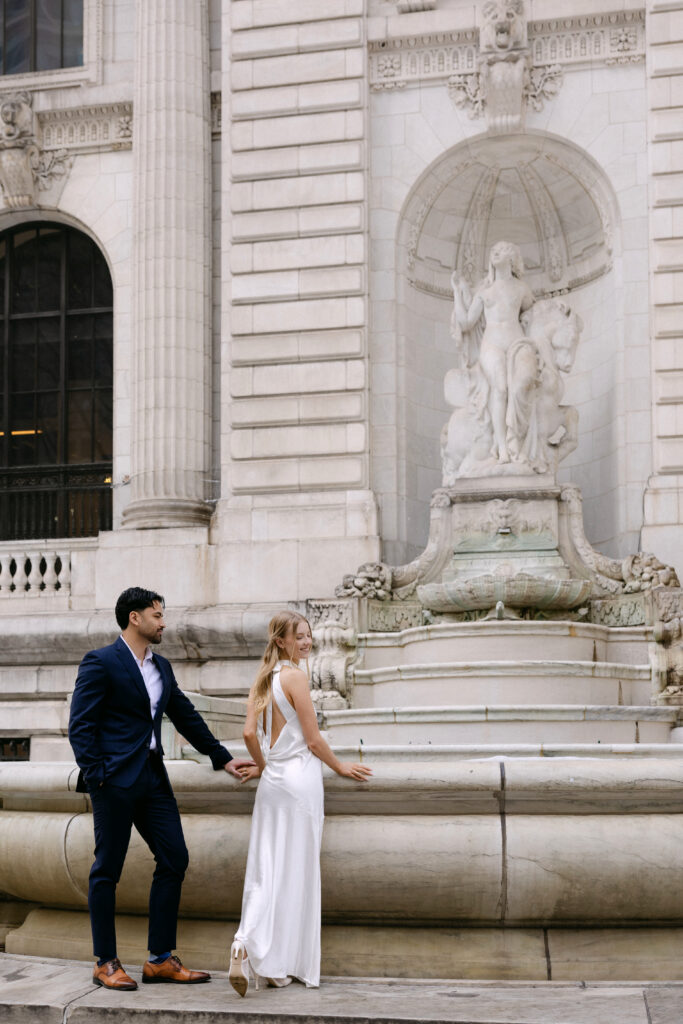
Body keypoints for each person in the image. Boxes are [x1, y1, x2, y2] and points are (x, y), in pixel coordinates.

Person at [68, 586, 255, 992]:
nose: (163, 622)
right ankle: (105, 962)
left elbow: (183, 713)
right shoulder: (100, 662)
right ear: (135, 618)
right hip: (114, 781)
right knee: (107, 870)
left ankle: (159, 959)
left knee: (175, 857)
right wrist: (99, 775)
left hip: (153, 778)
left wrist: (221, 757)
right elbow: (80, 726)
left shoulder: (162, 667)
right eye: (157, 615)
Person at [228, 611, 372, 996]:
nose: (308, 642)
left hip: (272, 784)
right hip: (300, 784)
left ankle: (249, 947)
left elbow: (248, 733)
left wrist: (263, 766)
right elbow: (313, 740)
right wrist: (340, 766)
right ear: (281, 641)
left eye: (309, 636)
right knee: (295, 872)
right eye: (300, 637)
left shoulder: (264, 677)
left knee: (266, 868)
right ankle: (277, 958)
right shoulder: (294, 677)